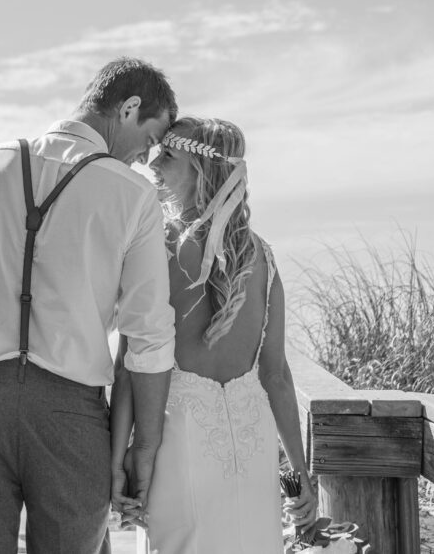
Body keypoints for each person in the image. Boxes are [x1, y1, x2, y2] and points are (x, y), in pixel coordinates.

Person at [0, 57, 178, 554]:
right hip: (71, 420)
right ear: (129, 108)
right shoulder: (135, 197)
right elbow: (149, 339)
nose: (145, 157)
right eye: (150, 139)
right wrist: (142, 452)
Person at [110, 117, 317, 553]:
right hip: (256, 453)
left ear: (201, 171)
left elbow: (131, 368)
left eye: (168, 156)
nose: (152, 165)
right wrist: (298, 480)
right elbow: (275, 377)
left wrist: (119, 463)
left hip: (179, 449)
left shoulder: (157, 250)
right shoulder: (264, 259)